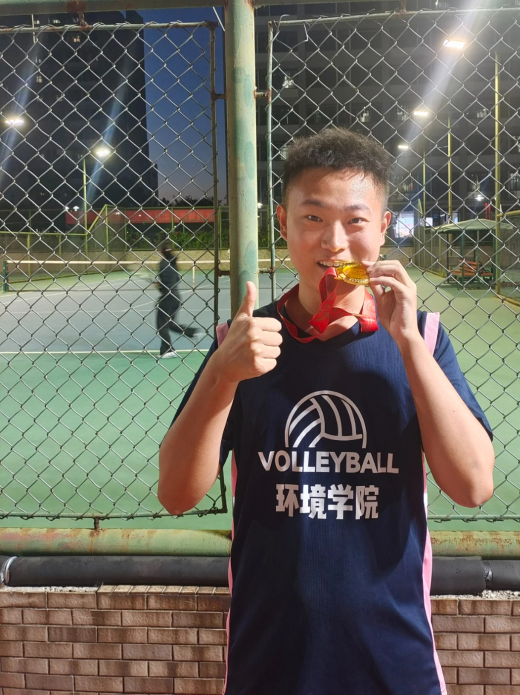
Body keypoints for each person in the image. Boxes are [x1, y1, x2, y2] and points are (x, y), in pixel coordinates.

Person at [158, 128, 494, 695]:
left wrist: (409, 345)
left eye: (355, 221)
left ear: (383, 229)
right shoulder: (241, 343)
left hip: (395, 660)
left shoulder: (425, 338)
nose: (334, 243)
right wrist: (221, 374)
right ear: (284, 225)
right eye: (312, 218)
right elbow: (176, 494)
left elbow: (472, 485)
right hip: (269, 662)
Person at [155, 239, 199, 358]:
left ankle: (168, 350)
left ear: (161, 251)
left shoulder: (163, 263)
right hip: (176, 297)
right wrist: (161, 286)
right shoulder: (173, 262)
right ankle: (191, 332)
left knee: (162, 325)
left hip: (167, 298)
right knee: (170, 323)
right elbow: (175, 280)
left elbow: (165, 285)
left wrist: (159, 286)